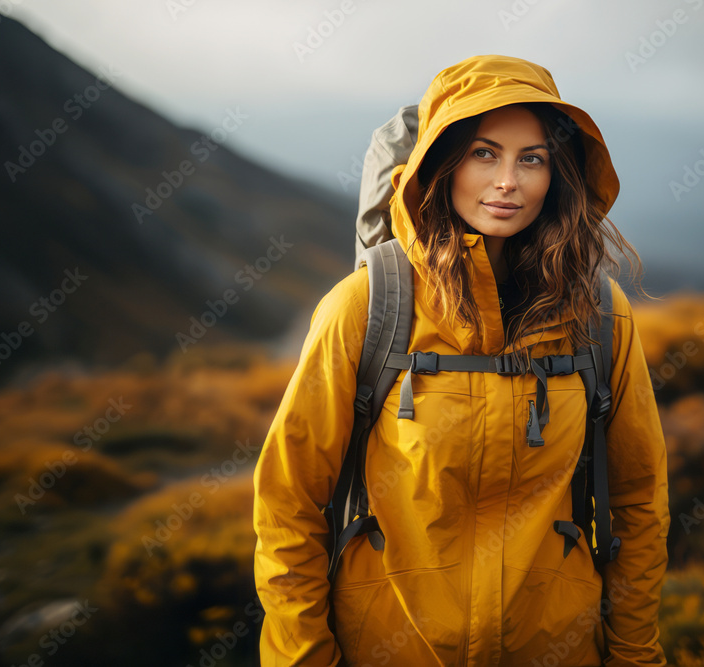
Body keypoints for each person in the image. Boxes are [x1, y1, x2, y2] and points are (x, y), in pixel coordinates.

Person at [253, 54, 670, 666]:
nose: (509, 180)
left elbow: (639, 501)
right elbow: (287, 505)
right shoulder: (367, 307)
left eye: (533, 158)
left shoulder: (598, 315)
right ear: (440, 165)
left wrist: (636, 655)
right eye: (484, 153)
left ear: (560, 175)